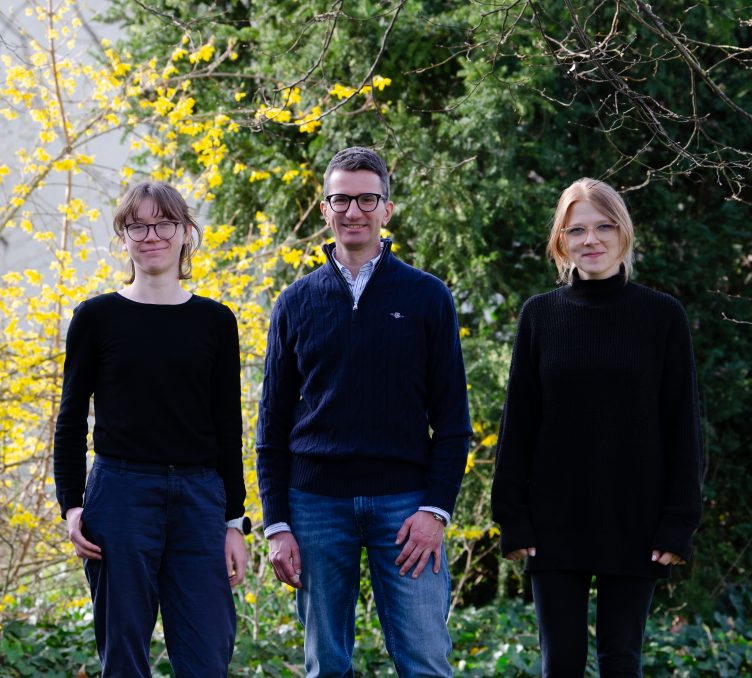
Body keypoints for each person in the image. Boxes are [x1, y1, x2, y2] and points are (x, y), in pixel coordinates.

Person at [256, 146, 472, 677]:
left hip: (406, 507)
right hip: (314, 505)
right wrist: (277, 523)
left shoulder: (427, 297)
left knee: (425, 660)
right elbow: (271, 425)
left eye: (367, 199)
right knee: (326, 666)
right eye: (341, 200)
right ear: (325, 209)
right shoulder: (295, 302)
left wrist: (435, 511)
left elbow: (452, 419)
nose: (353, 211)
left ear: (387, 209)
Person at [491, 178, 705, 676]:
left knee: (621, 660)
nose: (591, 240)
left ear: (624, 232)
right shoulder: (540, 316)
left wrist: (678, 522)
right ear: (561, 241)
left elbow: (682, 427)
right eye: (577, 230)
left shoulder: (662, 317)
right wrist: (512, 517)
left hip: (637, 519)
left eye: (604, 227)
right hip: (553, 521)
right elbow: (518, 423)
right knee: (560, 663)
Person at [52, 181, 249, 677]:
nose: (151, 235)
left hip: (200, 498)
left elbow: (229, 426)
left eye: (163, 223)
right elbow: (71, 417)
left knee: (207, 655)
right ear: (123, 237)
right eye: (137, 226)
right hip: (121, 494)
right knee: (123, 655)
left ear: (185, 232)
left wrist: (233, 522)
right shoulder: (96, 317)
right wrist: (71, 505)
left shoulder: (215, 321)